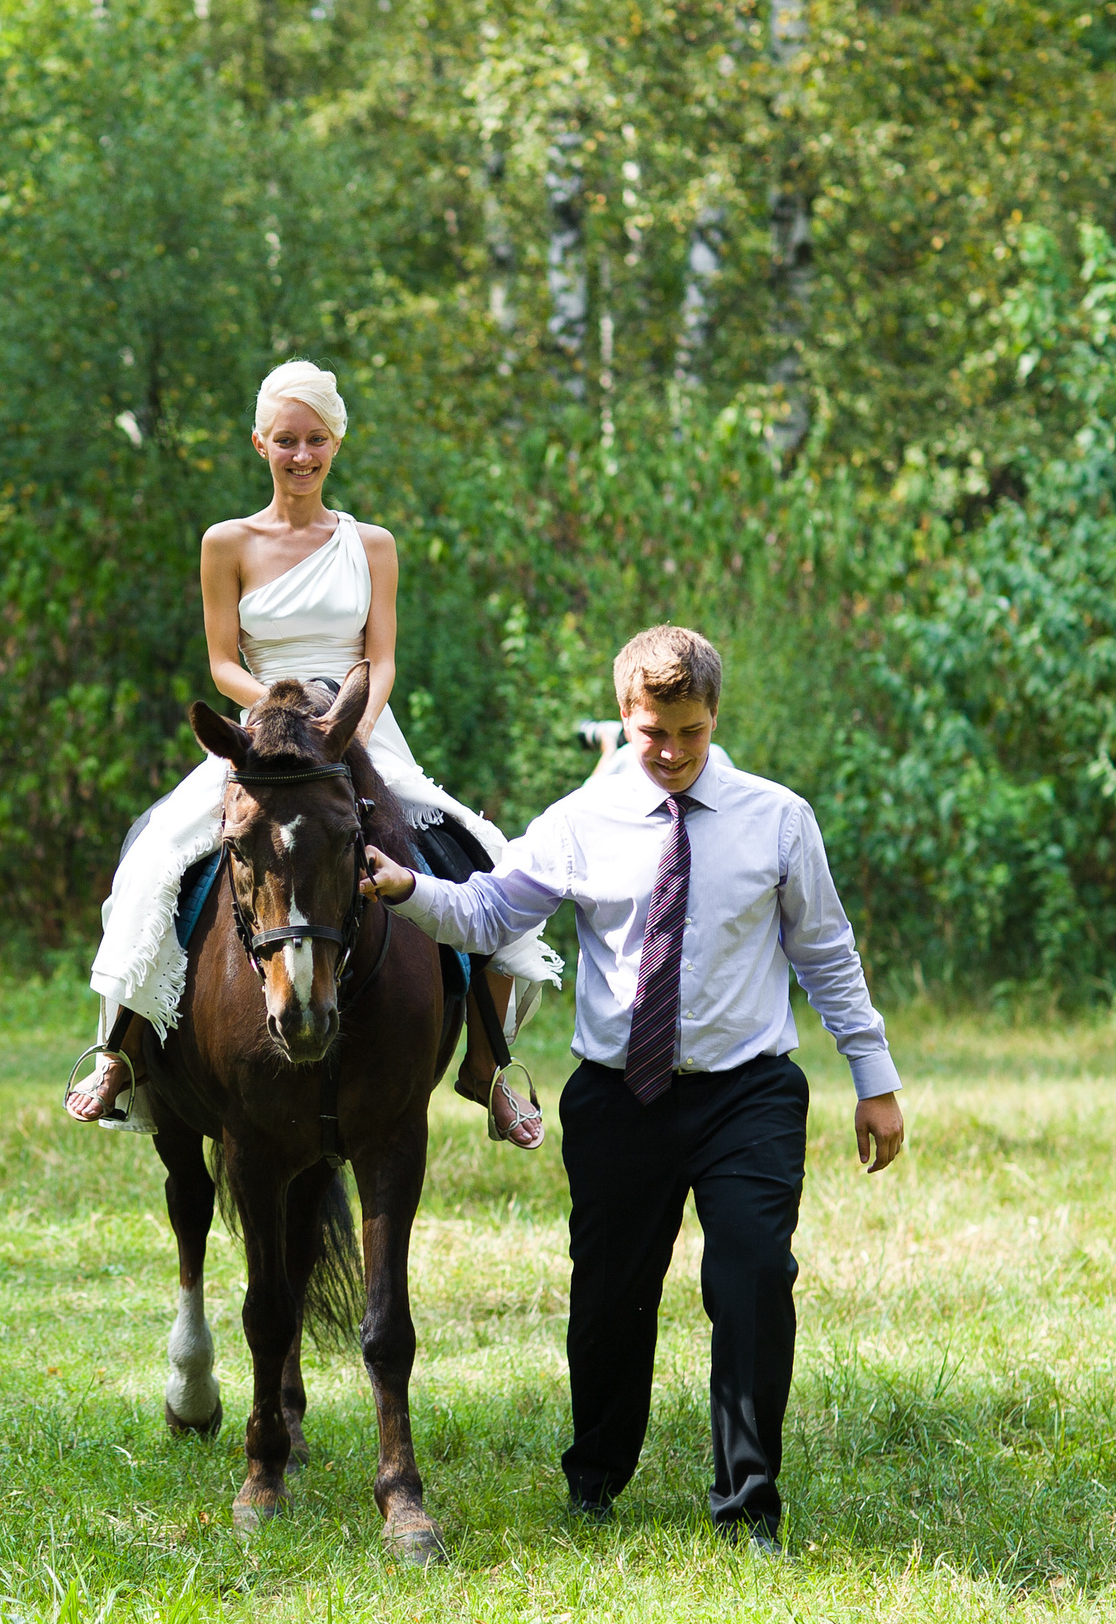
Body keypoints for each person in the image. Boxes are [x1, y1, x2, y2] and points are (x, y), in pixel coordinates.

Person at [360, 626, 908, 1554]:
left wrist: (875, 1076)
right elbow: (491, 911)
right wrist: (411, 887)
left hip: (748, 1092)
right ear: (625, 714)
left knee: (753, 1279)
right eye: (655, 732)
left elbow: (826, 952)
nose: (674, 752)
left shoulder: (778, 819)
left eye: (692, 732)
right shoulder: (580, 821)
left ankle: (748, 1505)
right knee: (611, 1294)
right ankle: (596, 1478)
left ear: (715, 716)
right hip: (621, 1095)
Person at [66, 360, 561, 1139]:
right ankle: (121, 1050)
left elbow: (382, 656)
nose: (302, 455)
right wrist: (279, 717)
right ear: (259, 443)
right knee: (156, 858)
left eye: (317, 439)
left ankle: (487, 1063)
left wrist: (352, 724)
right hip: (264, 736)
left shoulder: (373, 544)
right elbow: (222, 662)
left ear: (337, 443)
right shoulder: (226, 542)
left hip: (358, 727)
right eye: (287, 440)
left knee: (482, 852)